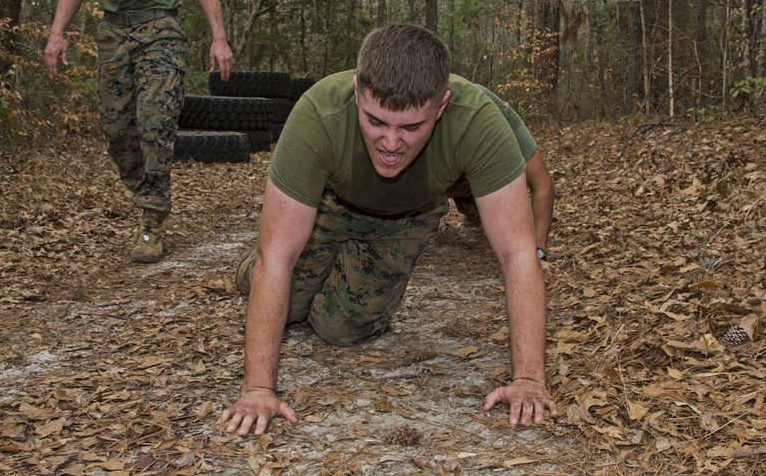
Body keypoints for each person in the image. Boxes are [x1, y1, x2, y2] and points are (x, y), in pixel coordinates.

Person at [218, 23, 557, 437]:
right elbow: (279, 255)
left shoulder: (478, 121)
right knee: (283, 301)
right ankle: (247, 272)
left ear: (442, 105)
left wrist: (528, 379)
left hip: (406, 218)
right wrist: (258, 388)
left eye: (412, 127)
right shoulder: (318, 112)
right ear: (358, 92)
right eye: (376, 121)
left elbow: (519, 253)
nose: (392, 142)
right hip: (329, 208)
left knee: (340, 330)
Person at [44, 0, 234, 264]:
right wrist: (57, 32)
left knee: (156, 122)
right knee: (118, 133)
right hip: (113, 33)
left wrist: (219, 38)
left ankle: (151, 219)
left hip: (160, 32)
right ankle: (146, 189)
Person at [445, 87, 554, 260]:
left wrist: (538, 251)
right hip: (432, 179)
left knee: (493, 214)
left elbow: (542, 185)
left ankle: (473, 207)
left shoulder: (496, 114)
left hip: (476, 180)